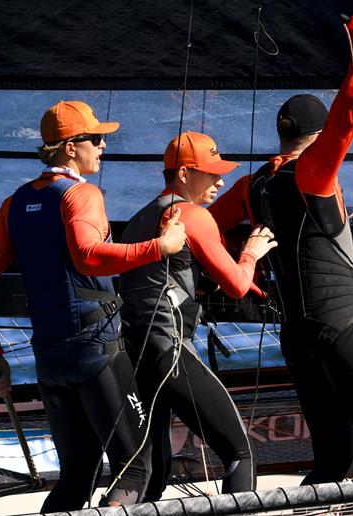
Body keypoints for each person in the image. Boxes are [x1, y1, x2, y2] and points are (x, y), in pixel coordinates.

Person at [207, 16, 353, 484]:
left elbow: (206, 231)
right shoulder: (314, 172)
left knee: (334, 455)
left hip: (296, 335)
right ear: (314, 138)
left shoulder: (251, 186)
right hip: (342, 326)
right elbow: (347, 119)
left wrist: (248, 269)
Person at [0, 100, 188, 510]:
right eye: (96, 138)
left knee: (76, 477)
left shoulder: (15, 203)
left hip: (50, 360)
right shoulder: (82, 194)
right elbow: (88, 255)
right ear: (70, 147)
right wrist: (162, 246)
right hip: (97, 353)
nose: (103, 146)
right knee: (134, 469)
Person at [118, 131, 278, 500]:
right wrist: (251, 253)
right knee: (239, 453)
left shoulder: (139, 219)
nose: (221, 181)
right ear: (185, 174)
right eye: (211, 174)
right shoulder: (192, 214)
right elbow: (238, 285)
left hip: (134, 353)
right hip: (169, 350)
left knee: (152, 470)